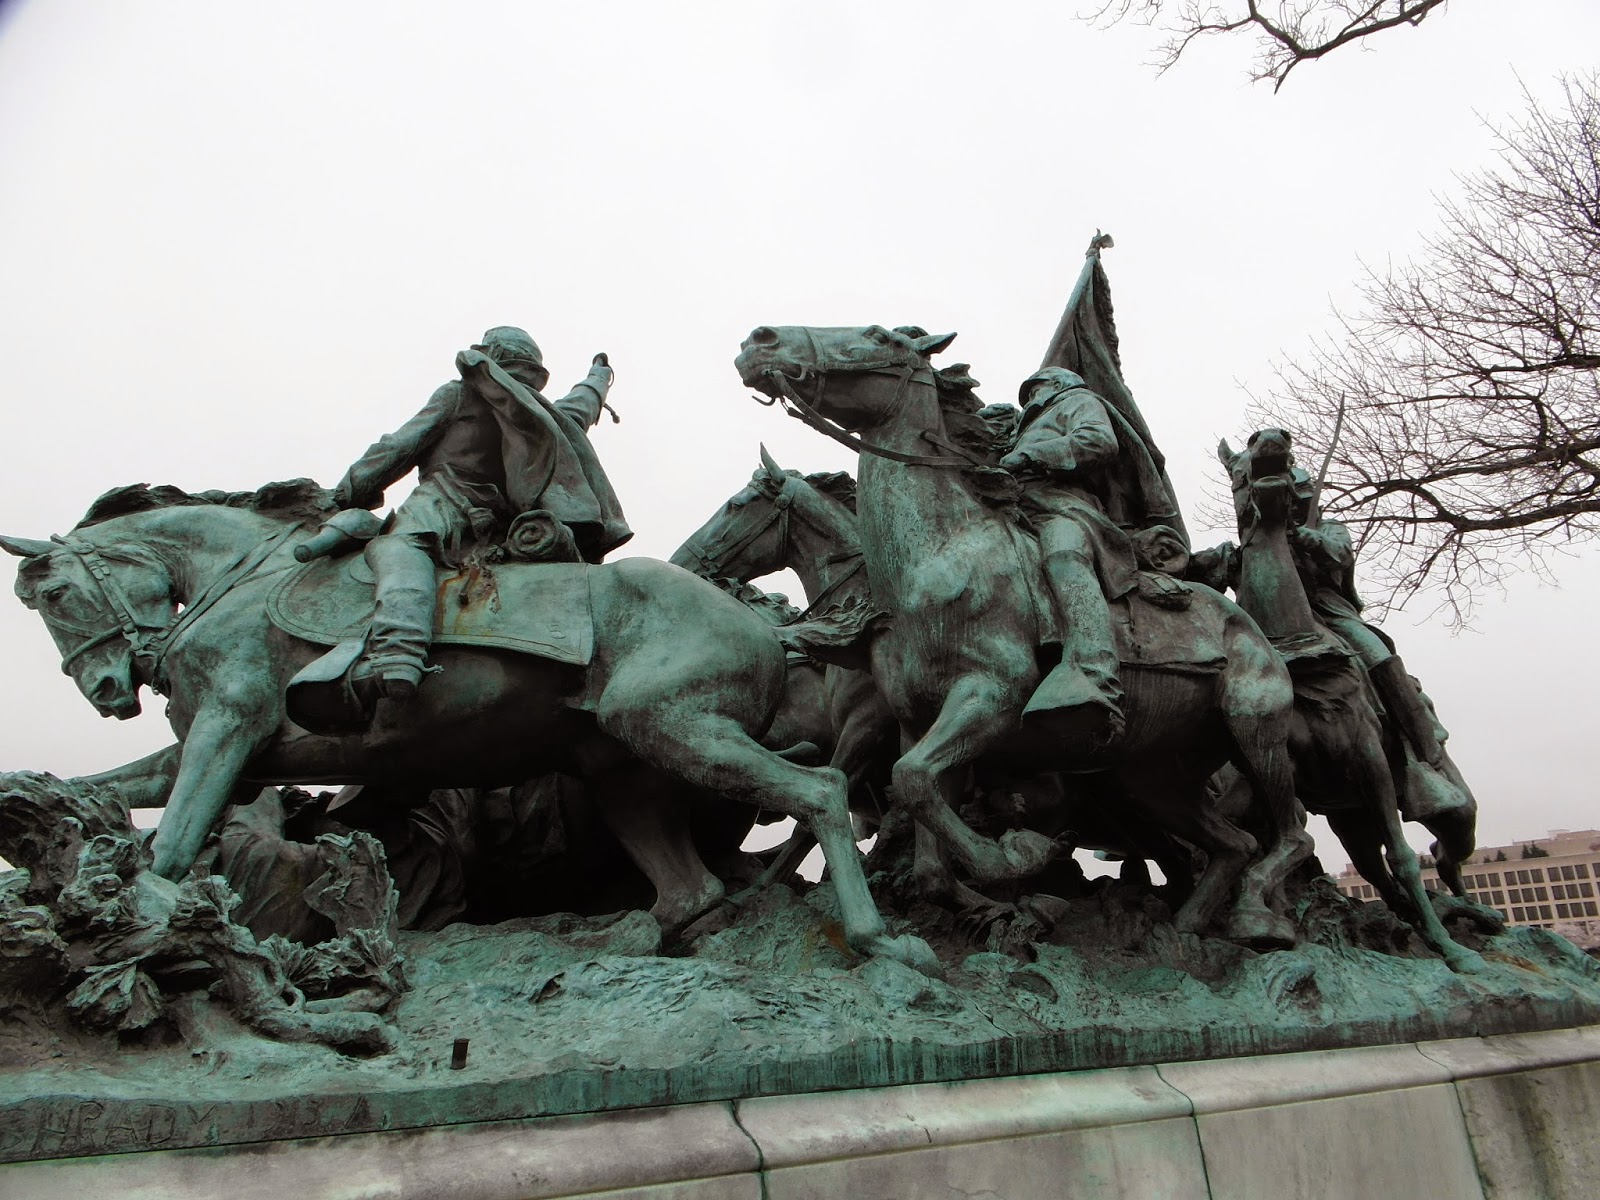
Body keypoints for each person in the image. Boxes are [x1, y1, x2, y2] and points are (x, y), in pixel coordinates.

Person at [332, 326, 631, 706]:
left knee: (401, 548)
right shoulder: (540, 415)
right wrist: (598, 381)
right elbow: (580, 407)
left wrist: (347, 493)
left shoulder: (460, 394)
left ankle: (399, 651)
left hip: (443, 506)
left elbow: (398, 447)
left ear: (490, 354)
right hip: (505, 531)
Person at [999, 367, 1173, 743]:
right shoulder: (1023, 428)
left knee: (1064, 555)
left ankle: (1095, 677)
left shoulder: (1078, 401)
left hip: (1062, 506)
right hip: (1013, 508)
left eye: (1033, 391)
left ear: (1057, 384)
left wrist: (1029, 454)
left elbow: (1097, 442)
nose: (1028, 401)